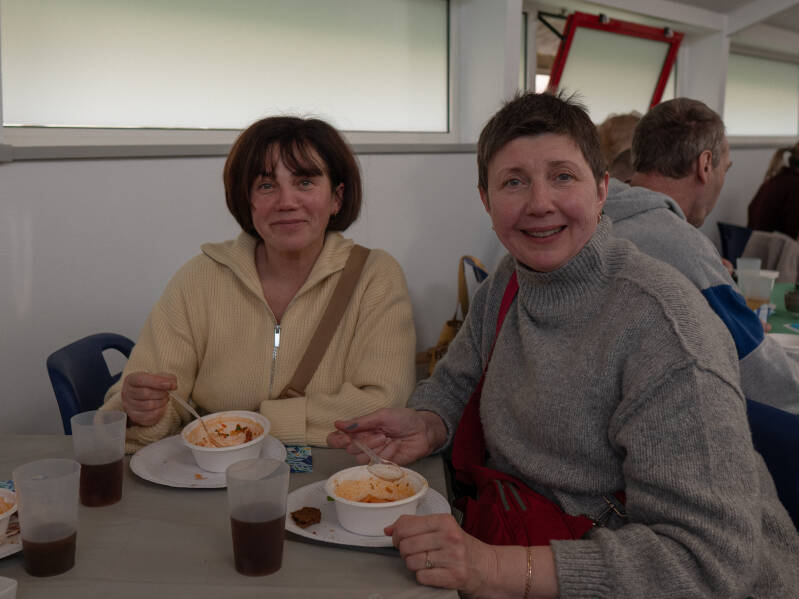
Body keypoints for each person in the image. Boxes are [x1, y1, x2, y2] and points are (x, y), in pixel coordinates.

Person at [328, 92, 799, 598]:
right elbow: (455, 384)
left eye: (563, 176)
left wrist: (493, 567)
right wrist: (427, 423)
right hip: (530, 534)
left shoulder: (666, 329)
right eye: (514, 182)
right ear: (486, 201)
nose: (539, 203)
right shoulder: (511, 281)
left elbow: (707, 563)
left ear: (602, 191)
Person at [101, 116, 416, 452]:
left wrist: (253, 424)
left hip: (338, 471)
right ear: (246, 200)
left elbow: (383, 403)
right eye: (266, 186)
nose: (286, 202)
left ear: (336, 198)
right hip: (215, 472)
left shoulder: (375, 275)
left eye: (305, 182)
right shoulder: (199, 278)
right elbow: (139, 406)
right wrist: (140, 411)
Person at [604, 99, 799, 414]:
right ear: (705, 165)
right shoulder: (683, 247)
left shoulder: (595, 218)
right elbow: (762, 375)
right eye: (725, 169)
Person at [747, 141, 799, 238]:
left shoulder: (775, 180)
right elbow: (793, 233)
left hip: (755, 244)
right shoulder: (795, 187)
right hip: (773, 246)